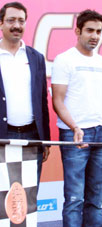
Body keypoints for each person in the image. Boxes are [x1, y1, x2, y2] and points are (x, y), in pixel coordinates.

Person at [51, 9, 102, 227]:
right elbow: (57, 100)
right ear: (78, 31)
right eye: (90, 30)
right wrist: (74, 127)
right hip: (73, 135)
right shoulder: (64, 59)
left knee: (95, 198)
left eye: (98, 31)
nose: (94, 36)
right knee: (74, 198)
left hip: (101, 134)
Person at [0, 2, 50, 184]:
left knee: (28, 194)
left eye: (21, 21)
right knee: (2, 194)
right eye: (11, 20)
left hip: (32, 137)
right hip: (2, 136)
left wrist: (45, 140)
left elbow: (42, 100)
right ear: (1, 23)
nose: (17, 26)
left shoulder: (36, 57)